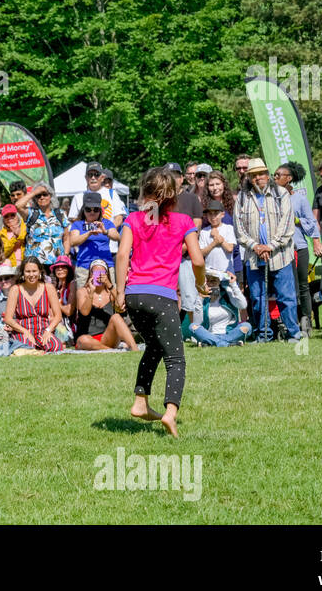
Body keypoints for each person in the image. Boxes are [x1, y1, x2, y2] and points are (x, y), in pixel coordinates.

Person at [114, 166, 207, 437]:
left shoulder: (133, 218)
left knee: (154, 345)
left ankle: (141, 403)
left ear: (145, 193)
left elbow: (122, 256)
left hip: (134, 295)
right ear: (174, 196)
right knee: (176, 359)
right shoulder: (183, 222)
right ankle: (170, 413)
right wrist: (201, 284)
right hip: (162, 297)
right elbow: (198, 260)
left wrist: (120, 292)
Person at [234, 158, 301, 343]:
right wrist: (255, 246)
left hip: (280, 254)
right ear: (249, 177)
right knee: (257, 298)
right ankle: (263, 335)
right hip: (254, 256)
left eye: (261, 174)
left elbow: (287, 225)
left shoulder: (281, 194)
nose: (258, 178)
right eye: (254, 175)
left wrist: (270, 246)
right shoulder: (241, 197)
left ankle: (293, 333)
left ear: (267, 174)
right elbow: (239, 229)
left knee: (286, 297)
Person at [276, 162, 322, 330]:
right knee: (286, 286)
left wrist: (297, 221)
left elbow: (311, 223)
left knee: (302, 285)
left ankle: (305, 319)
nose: (274, 178)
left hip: (299, 248)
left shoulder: (299, 199)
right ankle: (289, 320)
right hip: (280, 250)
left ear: (289, 179)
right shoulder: (272, 199)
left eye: (278, 175)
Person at [3, 257, 65, 353]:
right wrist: (25, 332)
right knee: (26, 347)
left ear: (40, 271)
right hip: (23, 331)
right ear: (23, 272)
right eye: (28, 271)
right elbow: (8, 319)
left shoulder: (48, 288)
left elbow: (58, 316)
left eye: (34, 271)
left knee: (55, 346)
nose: (31, 275)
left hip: (43, 330)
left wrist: (48, 330)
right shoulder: (15, 289)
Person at [73, 259, 137, 351]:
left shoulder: (110, 293)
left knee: (116, 317)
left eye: (102, 272)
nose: (98, 275)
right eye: (95, 272)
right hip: (88, 338)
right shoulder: (82, 292)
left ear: (107, 274)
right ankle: (110, 350)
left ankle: (134, 349)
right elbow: (85, 312)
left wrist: (109, 285)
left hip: (107, 337)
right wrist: (91, 293)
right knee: (83, 340)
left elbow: (121, 306)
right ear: (90, 274)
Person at [65, 191, 118, 287]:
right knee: (83, 296)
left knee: (111, 294)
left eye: (96, 210)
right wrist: (88, 233)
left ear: (100, 210)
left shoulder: (107, 223)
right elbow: (73, 241)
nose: (92, 212)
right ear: (83, 210)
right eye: (88, 209)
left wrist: (105, 231)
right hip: (84, 266)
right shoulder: (78, 224)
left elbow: (117, 237)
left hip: (106, 265)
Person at [186, 272, 251, 347]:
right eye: (207, 281)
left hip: (229, 333)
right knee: (192, 326)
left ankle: (212, 342)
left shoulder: (227, 295)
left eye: (213, 281)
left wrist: (233, 285)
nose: (210, 284)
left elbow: (243, 305)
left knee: (247, 326)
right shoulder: (201, 298)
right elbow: (197, 322)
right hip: (209, 334)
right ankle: (227, 343)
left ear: (219, 282)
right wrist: (200, 298)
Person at [15, 183, 69, 266]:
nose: (42, 197)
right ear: (35, 198)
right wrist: (34, 192)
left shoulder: (60, 214)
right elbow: (18, 205)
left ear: (50, 196)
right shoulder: (31, 213)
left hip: (57, 264)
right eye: (38, 195)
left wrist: (65, 255)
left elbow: (66, 238)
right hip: (35, 265)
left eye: (45, 194)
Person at [67, 162, 125, 227]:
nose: (93, 177)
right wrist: (90, 228)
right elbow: (72, 220)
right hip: (85, 236)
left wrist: (107, 232)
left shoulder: (112, 194)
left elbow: (119, 218)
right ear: (86, 178)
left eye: (96, 174)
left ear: (102, 177)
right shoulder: (78, 197)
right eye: (90, 175)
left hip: (108, 235)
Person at [0, 204, 27, 269]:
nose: (9, 218)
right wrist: (15, 238)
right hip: (10, 266)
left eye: (12, 215)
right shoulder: (1, 234)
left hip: (26, 265)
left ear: (17, 216)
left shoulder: (25, 226)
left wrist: (19, 235)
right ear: (3, 219)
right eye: (6, 216)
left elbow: (26, 238)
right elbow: (3, 252)